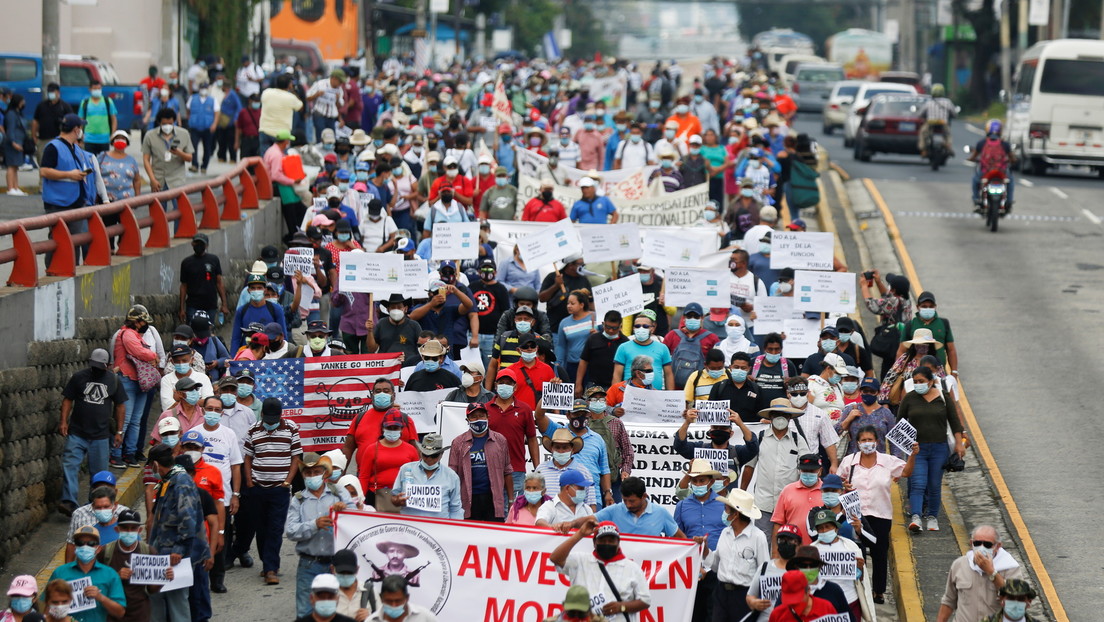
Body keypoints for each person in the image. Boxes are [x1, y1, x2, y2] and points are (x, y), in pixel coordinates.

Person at [838, 425, 917, 604]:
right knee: (857, 553)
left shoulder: (888, 461)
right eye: (863, 440)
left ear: (877, 442)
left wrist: (913, 455)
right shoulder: (849, 462)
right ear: (857, 443)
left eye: (870, 440)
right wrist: (844, 487)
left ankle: (878, 591)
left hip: (880, 515)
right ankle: (858, 588)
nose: (867, 444)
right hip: (855, 515)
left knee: (880, 553)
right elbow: (838, 481)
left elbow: (906, 472)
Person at [236, 398, 303, 585]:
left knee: (275, 529)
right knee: (261, 528)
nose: (271, 422)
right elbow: (248, 457)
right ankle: (269, 562)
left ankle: (270, 569)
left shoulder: (291, 429)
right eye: (268, 417)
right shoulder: (254, 430)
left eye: (276, 418)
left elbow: (296, 457)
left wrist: (287, 481)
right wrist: (249, 481)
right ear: (262, 414)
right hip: (257, 487)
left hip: (279, 489)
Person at [58, 349, 127, 516]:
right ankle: (69, 501)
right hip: (77, 432)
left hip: (101, 436)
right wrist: (63, 421)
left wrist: (119, 431)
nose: (96, 370)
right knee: (70, 465)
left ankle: (94, 505)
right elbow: (68, 399)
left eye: (100, 367)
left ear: (107, 366)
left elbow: (120, 406)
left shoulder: (114, 381)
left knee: (99, 474)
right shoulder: (79, 377)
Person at [898, 365, 965, 532]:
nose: (918, 384)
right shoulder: (910, 398)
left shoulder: (943, 397)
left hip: (939, 448)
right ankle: (916, 517)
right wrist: (906, 447)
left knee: (934, 484)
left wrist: (959, 443)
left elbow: (954, 422)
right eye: (915, 382)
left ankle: (933, 517)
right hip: (917, 450)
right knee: (918, 483)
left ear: (931, 381)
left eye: (921, 381)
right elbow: (899, 422)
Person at [286, 453, 352, 617]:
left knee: (341, 610)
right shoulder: (298, 500)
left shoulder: (339, 493)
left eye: (316, 472)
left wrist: (344, 510)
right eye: (308, 473)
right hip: (309, 563)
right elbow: (291, 531)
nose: (312, 476)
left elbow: (357, 520)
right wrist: (314, 525)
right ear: (303, 475)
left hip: (336, 564)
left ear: (324, 473)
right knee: (305, 612)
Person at [146, 442, 205, 622]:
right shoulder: (168, 480)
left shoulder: (181, 481)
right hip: (161, 549)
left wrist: (178, 549)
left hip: (175, 552)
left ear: (156, 464)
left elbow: (187, 518)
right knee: (155, 596)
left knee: (177, 602)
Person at [550, 520, 652, 622]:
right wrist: (580, 534)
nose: (606, 543)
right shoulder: (580, 560)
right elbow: (555, 558)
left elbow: (645, 601)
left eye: (611, 540)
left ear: (618, 543)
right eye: (602, 540)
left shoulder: (632, 568)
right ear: (594, 542)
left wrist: (621, 607)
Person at [700, 488, 770, 622]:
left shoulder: (757, 537)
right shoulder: (725, 533)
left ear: (736, 514)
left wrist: (756, 598)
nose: (724, 513)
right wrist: (706, 550)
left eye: (726, 509)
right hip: (721, 592)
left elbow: (763, 571)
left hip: (744, 595)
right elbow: (716, 565)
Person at [741, 399, 810, 533]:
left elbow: (806, 467)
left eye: (784, 415)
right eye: (777, 414)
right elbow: (749, 467)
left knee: (788, 540)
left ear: (790, 417)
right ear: (771, 417)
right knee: (763, 540)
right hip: (764, 503)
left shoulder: (798, 439)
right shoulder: (760, 438)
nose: (780, 418)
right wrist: (742, 493)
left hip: (790, 503)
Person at [936, 525, 1023, 622]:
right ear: (971, 543)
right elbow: (949, 600)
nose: (981, 548)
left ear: (997, 546)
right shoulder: (960, 565)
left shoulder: (1010, 568)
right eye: (977, 543)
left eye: (987, 545)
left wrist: (991, 572)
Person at [447, 402, 513, 521]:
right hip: (468, 499)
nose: (478, 419)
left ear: (488, 416)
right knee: (470, 537)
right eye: (474, 416)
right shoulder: (458, 443)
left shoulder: (500, 440)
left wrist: (511, 500)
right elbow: (453, 474)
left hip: (494, 499)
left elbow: (507, 471)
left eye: (481, 415)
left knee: (494, 536)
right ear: (467, 420)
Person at [47, 526, 126, 622]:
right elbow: (47, 606)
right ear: (75, 547)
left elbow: (120, 612)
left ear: (98, 549)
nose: (85, 547)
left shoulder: (110, 575)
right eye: (80, 543)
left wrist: (100, 597)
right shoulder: (59, 573)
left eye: (91, 543)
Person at [809, 508, 868, 620]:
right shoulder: (811, 550)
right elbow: (808, 581)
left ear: (835, 527)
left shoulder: (850, 546)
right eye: (820, 528)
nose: (824, 530)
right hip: (822, 604)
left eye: (828, 527)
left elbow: (860, 580)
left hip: (850, 601)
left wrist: (860, 569)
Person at [391, 433, 463, 519]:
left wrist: (454, 529)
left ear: (441, 454)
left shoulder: (452, 476)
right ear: (420, 452)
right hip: (410, 525)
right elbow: (394, 497)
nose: (429, 459)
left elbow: (455, 508)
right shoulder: (405, 469)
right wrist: (397, 501)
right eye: (425, 455)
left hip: (438, 527)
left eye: (434, 456)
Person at [673, 407, 759, 477]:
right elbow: (680, 446)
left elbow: (753, 447)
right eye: (715, 427)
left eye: (723, 428)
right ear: (710, 431)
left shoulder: (737, 452)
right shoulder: (699, 448)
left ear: (731, 433)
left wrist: (740, 424)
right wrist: (687, 422)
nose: (718, 430)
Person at [744, 524, 803, 621]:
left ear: (799, 544)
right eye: (781, 540)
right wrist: (754, 603)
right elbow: (750, 596)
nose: (785, 543)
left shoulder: (803, 570)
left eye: (790, 540)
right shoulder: (764, 567)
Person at [590, 477, 682, 538]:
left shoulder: (661, 513)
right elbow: (588, 520)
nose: (628, 505)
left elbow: (681, 539)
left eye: (632, 501)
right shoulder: (614, 510)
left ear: (644, 496)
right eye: (625, 500)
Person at [860, 270, 911, 378]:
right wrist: (878, 282)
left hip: (892, 345)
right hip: (901, 343)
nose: (888, 288)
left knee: (888, 376)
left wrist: (864, 286)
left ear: (894, 289)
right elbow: (887, 296)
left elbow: (872, 304)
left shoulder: (893, 302)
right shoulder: (906, 301)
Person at [663, 302, 720, 390]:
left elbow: (716, 364)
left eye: (696, 317)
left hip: (700, 388)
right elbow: (663, 360)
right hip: (674, 387)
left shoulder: (712, 338)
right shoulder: (672, 335)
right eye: (689, 316)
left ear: (702, 318)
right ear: (684, 318)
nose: (692, 319)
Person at [898, 290, 958, 370]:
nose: (928, 309)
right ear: (918, 307)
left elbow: (951, 350)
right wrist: (899, 370)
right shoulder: (910, 325)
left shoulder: (943, 323)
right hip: (915, 371)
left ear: (935, 306)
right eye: (924, 306)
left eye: (931, 306)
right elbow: (901, 351)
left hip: (938, 370)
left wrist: (954, 372)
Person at [612, 311, 673, 390]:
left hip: (656, 396)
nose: (641, 329)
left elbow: (668, 374)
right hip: (630, 395)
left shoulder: (662, 348)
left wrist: (670, 398)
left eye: (645, 326)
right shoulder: (623, 347)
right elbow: (617, 375)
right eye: (637, 326)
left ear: (652, 328)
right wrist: (615, 395)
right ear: (633, 328)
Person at [835, 378, 896, 455]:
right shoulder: (850, 409)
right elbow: (834, 433)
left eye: (872, 391)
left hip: (879, 462)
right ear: (860, 392)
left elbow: (894, 442)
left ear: (878, 393)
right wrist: (848, 419)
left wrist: (896, 462)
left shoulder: (886, 413)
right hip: (853, 460)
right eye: (865, 391)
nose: (868, 394)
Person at [141, 108, 194, 195]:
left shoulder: (184, 134)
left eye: (170, 123)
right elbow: (146, 159)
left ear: (174, 121)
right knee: (159, 208)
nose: (167, 126)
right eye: (164, 124)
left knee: (180, 207)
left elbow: (190, 158)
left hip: (177, 180)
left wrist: (179, 153)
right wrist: (152, 179)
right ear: (159, 123)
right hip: (158, 180)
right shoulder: (150, 135)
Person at [708, 352, 770, 423]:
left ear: (749, 369)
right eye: (736, 367)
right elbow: (710, 412)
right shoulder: (719, 387)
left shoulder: (756, 389)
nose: (739, 370)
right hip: (724, 431)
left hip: (749, 431)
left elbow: (761, 413)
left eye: (743, 368)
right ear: (730, 367)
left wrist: (762, 419)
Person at [967, 119, 1015, 208]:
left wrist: (970, 159)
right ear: (1000, 131)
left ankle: (976, 198)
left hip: (986, 171)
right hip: (1001, 172)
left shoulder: (982, 143)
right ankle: (1009, 201)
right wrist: (1012, 161)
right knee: (1010, 181)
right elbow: (1012, 158)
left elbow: (973, 157)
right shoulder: (1005, 144)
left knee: (975, 180)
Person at [577, 311, 628, 391]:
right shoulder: (593, 339)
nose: (611, 330)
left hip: (616, 385)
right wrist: (578, 384)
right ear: (603, 324)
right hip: (594, 385)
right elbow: (583, 361)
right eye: (608, 327)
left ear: (620, 326)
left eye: (614, 328)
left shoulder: (625, 343)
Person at [365, 575, 438, 622]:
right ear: (381, 598)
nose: (393, 605)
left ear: (407, 597)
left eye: (398, 601)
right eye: (388, 601)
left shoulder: (425, 617)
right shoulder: (371, 620)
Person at [32, 82, 73, 165]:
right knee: (43, 162)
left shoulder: (65, 106)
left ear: (58, 92)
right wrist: (34, 136)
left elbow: (71, 122)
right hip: (43, 139)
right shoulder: (41, 105)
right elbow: (35, 121)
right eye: (49, 92)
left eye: (53, 92)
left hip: (60, 139)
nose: (51, 94)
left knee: (59, 163)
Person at [77, 80, 117, 155]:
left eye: (99, 88)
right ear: (90, 89)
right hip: (89, 139)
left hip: (104, 139)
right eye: (95, 89)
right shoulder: (85, 103)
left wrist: (113, 134)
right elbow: (81, 120)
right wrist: (80, 135)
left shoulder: (108, 101)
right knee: (90, 163)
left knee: (103, 164)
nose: (97, 91)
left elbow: (113, 119)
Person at [917, 83, 957, 156]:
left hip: (930, 122)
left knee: (923, 132)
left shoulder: (929, 102)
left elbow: (920, 114)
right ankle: (948, 146)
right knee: (947, 134)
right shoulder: (947, 102)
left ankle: (923, 149)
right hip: (943, 122)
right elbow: (954, 113)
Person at [4, 94, 29, 195]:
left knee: (15, 166)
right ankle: (10, 188)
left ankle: (15, 187)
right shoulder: (11, 114)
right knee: (11, 165)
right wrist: (13, 142)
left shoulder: (18, 113)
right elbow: (10, 129)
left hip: (19, 142)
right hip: (12, 143)